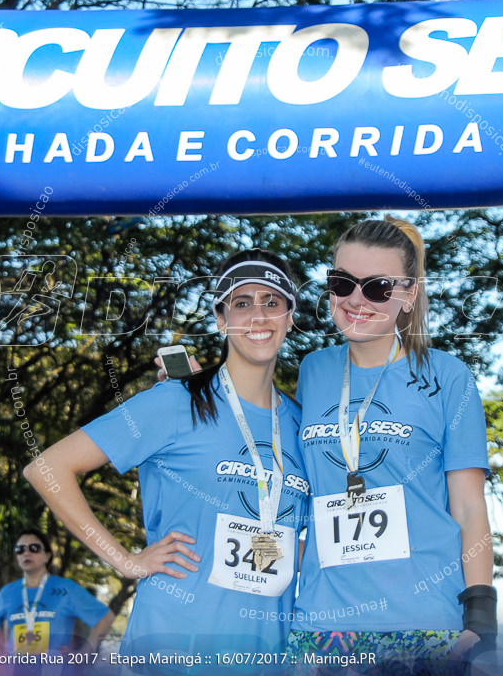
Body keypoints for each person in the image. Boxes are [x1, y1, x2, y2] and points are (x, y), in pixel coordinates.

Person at [24, 249, 311, 659]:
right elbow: (47, 469)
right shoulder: (177, 401)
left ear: (290, 317)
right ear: (220, 319)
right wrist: (125, 561)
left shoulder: (304, 424)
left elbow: (295, 539)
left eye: (272, 302)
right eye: (241, 303)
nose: (258, 316)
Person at [287, 217, 495, 671]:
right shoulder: (313, 370)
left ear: (408, 295)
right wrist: (197, 389)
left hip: (424, 626)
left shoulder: (447, 375)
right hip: (320, 627)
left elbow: (469, 508)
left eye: (378, 287)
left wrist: (481, 618)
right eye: (343, 283)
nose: (356, 300)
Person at [0, 529, 115, 658]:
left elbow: (105, 618)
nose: (26, 553)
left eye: (34, 548)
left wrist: (83, 653)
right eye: (20, 549)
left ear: (47, 556)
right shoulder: (7, 592)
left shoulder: (66, 589)